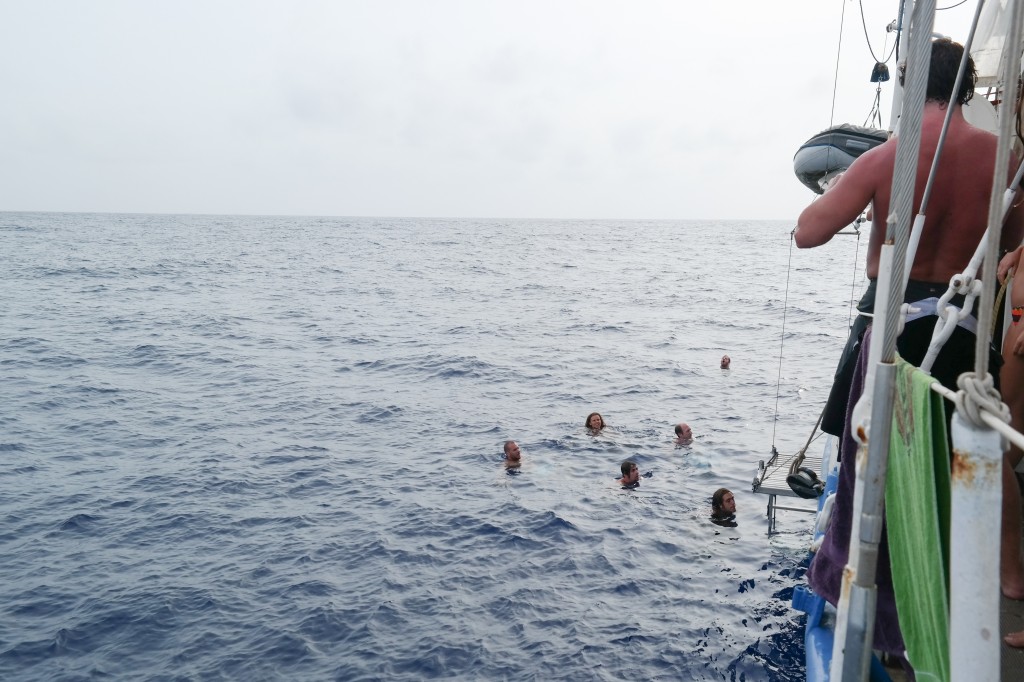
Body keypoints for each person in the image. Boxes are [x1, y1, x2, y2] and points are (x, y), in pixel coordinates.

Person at [796, 37, 1024, 656]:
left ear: (909, 84)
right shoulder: (1003, 158)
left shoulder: (889, 158)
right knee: (980, 446)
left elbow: (808, 233)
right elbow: (1014, 239)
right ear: (968, 89)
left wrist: (851, 186)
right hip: (967, 335)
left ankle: (885, 611)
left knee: (878, 460)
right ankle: (1009, 576)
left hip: (898, 331)